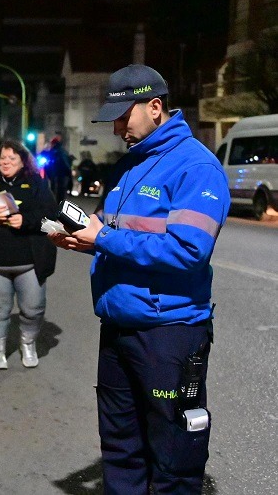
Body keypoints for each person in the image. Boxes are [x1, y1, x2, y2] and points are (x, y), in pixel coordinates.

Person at [48, 64, 230, 494]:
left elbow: (189, 251)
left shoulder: (196, 168)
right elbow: (119, 232)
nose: (115, 127)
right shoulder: (132, 166)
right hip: (118, 327)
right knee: (120, 449)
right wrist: (88, 239)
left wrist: (105, 238)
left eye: (121, 115)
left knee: (173, 457)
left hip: (168, 334)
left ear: (154, 106)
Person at [0, 140, 57, 369]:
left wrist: (25, 220)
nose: (6, 162)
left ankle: (28, 344)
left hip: (30, 261)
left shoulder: (36, 183)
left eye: (12, 158)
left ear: (22, 162)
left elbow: (50, 216)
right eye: (2, 158)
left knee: (33, 308)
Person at [41, 135, 72, 204]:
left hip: (58, 175)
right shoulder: (61, 151)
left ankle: (57, 205)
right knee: (60, 191)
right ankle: (58, 204)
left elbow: (63, 163)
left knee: (57, 191)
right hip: (60, 175)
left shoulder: (57, 152)